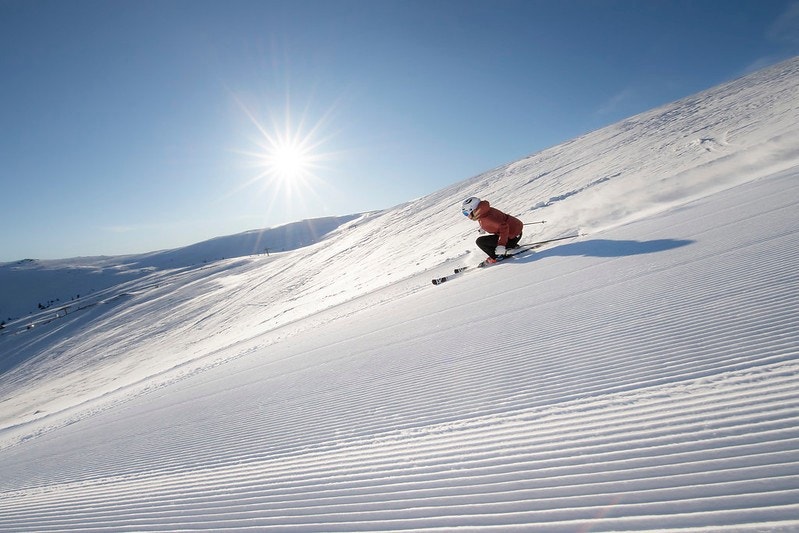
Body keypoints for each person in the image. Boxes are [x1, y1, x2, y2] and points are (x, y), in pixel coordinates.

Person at [461, 196, 523, 264]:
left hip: (512, 238)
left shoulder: (486, 219)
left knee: (480, 241)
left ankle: (497, 256)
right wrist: (483, 227)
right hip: (516, 233)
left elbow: (504, 227)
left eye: (466, 213)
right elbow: (497, 219)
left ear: (473, 210)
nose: (467, 216)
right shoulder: (484, 211)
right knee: (489, 239)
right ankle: (509, 246)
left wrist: (501, 246)